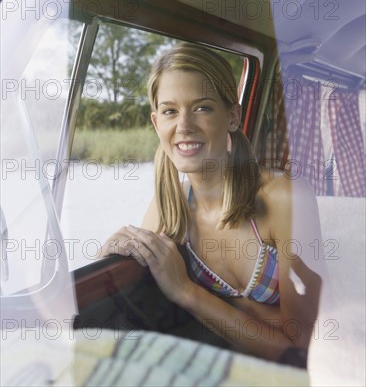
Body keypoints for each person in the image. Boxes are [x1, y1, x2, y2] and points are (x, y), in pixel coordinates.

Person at [101, 42, 323, 366]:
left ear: (232, 117)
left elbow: (301, 346)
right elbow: (137, 296)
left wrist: (187, 291)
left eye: (202, 107)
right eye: (170, 111)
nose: (184, 126)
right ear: (155, 123)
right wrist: (108, 260)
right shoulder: (167, 207)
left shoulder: (285, 198)